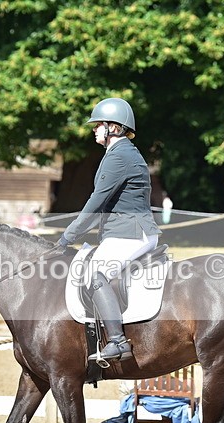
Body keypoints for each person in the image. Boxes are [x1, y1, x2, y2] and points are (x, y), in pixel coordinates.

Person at [57, 97, 161, 362]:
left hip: (131, 232)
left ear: (113, 127)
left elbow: (97, 201)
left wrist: (69, 235)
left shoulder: (120, 156)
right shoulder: (119, 153)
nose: (94, 129)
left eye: (98, 125)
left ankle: (117, 341)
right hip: (125, 230)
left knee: (95, 274)